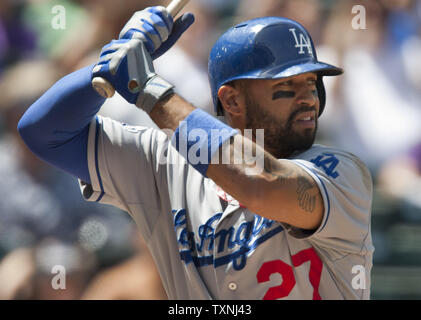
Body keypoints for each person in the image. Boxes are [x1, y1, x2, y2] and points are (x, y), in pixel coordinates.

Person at [18, 6, 373, 299]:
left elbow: (259, 184)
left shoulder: (339, 172)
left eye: (311, 83)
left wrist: (149, 89)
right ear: (232, 100)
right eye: (286, 85)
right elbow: (43, 132)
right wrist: (109, 65)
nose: (308, 97)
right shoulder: (164, 161)